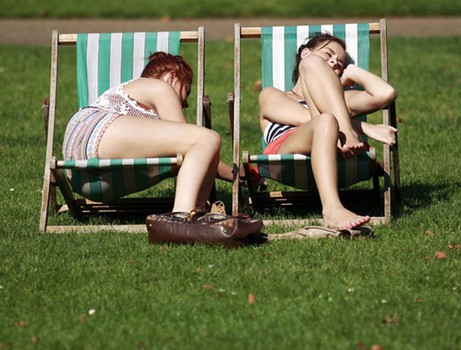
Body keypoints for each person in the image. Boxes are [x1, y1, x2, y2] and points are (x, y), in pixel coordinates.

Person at [63, 52, 232, 214]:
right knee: (206, 137)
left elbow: (200, 156)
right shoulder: (160, 87)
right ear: (172, 76)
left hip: (80, 174)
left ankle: (197, 213)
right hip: (96, 132)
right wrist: (238, 175)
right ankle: (182, 216)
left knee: (201, 145)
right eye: (186, 90)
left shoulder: (132, 92)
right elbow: (197, 146)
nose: (185, 103)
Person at [258, 32, 398, 229]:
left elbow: (386, 93)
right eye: (328, 55)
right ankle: (347, 135)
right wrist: (363, 127)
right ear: (305, 52)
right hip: (286, 148)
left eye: (340, 63)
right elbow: (306, 118)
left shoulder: (342, 102)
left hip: (332, 138)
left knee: (327, 120)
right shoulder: (272, 95)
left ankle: (333, 210)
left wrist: (352, 72)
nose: (334, 62)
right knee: (325, 120)